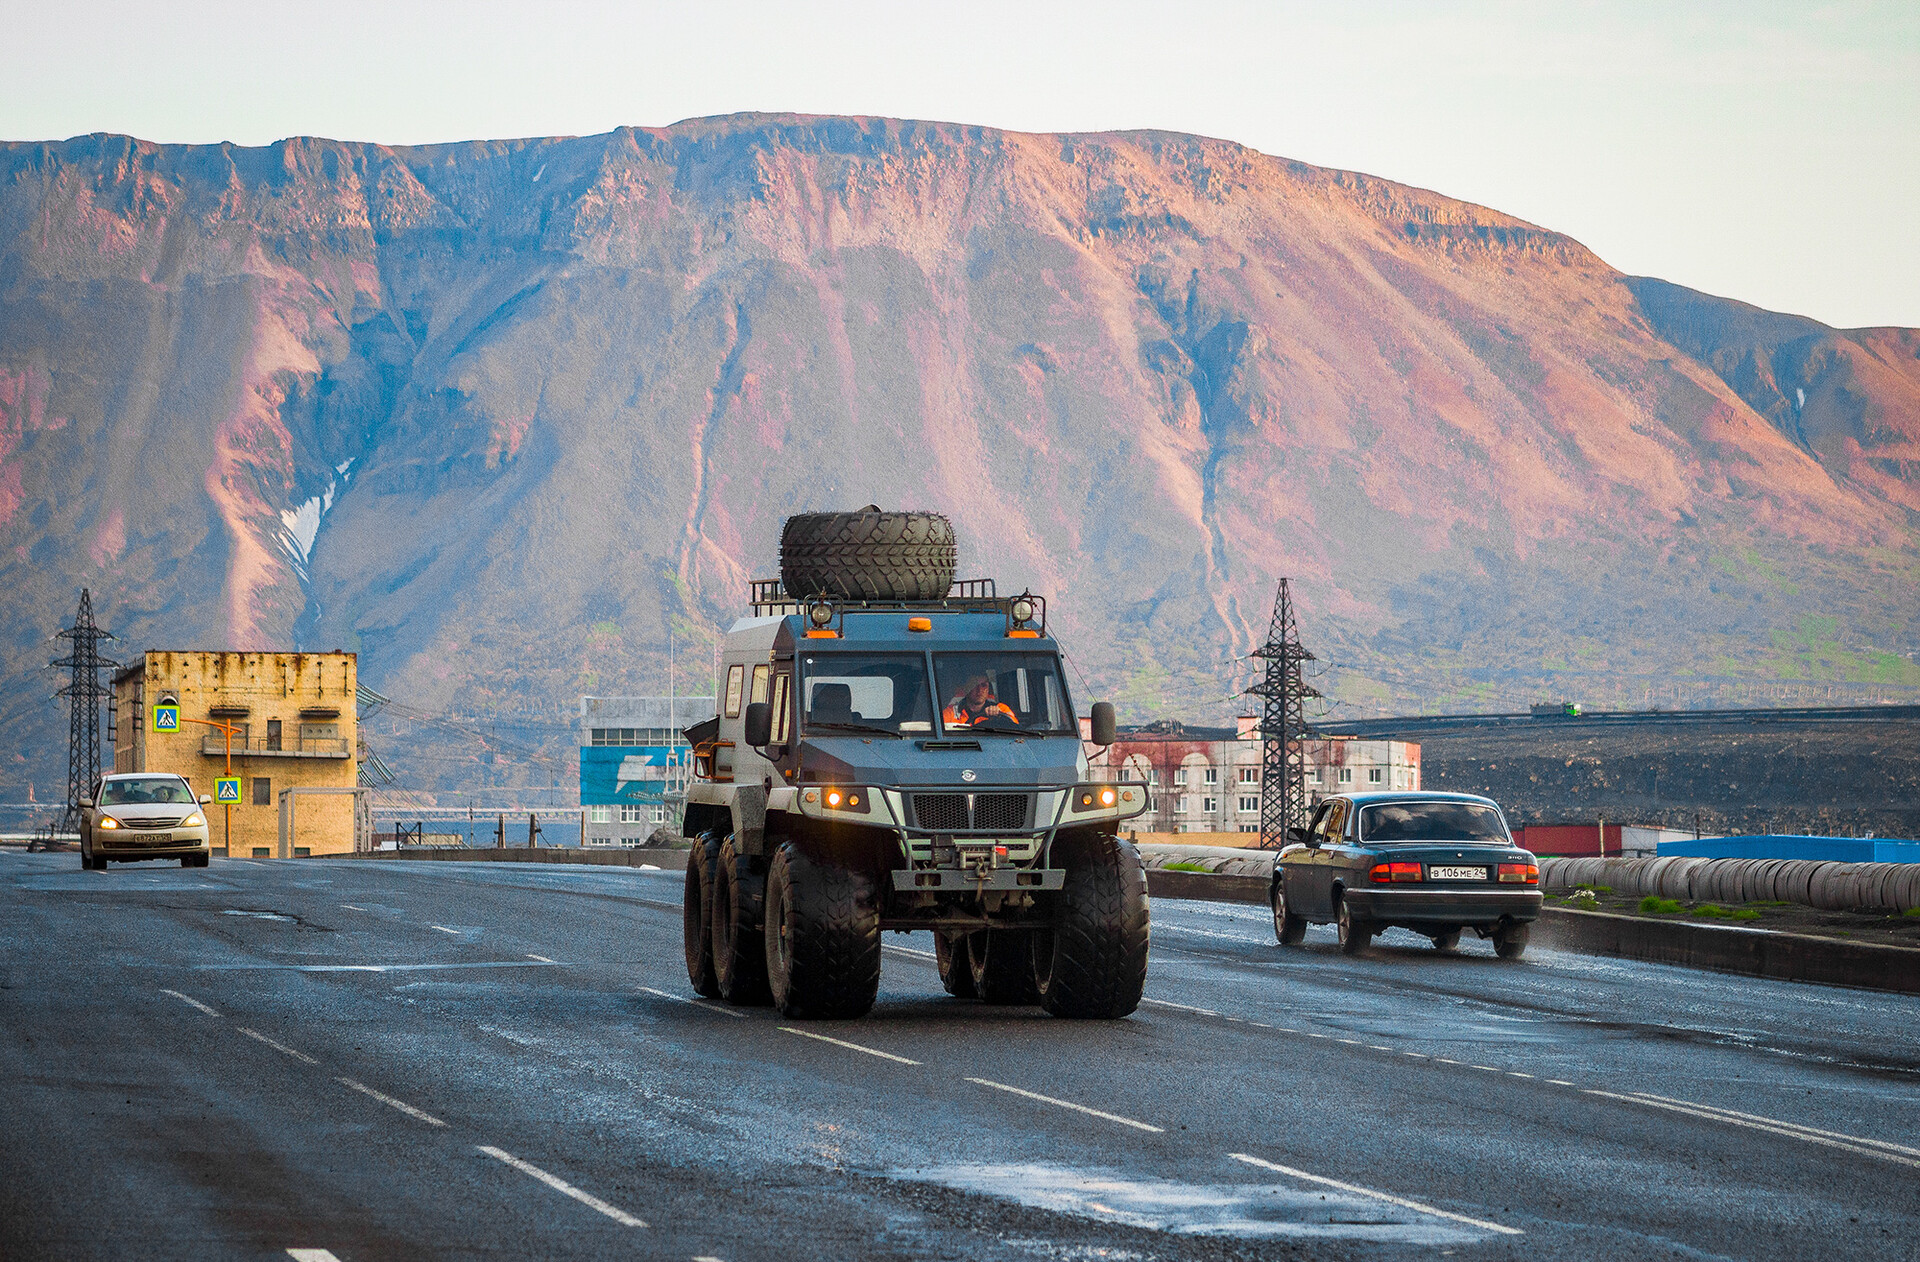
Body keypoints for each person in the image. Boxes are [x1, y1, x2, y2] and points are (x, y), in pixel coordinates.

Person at [943, 674, 1017, 728]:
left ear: (988, 689)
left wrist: (998, 716)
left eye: (984, 685)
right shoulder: (951, 713)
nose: (980, 690)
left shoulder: (1001, 708)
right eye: (974, 685)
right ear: (966, 689)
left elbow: (1016, 729)